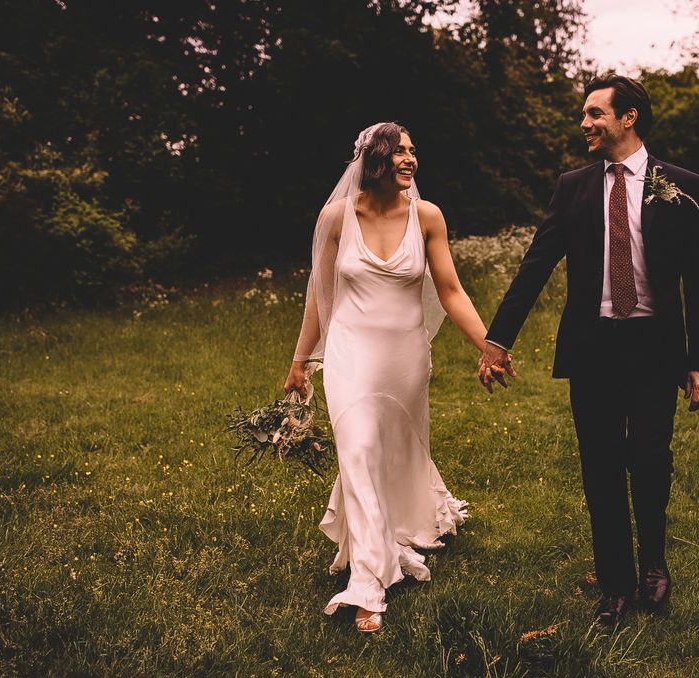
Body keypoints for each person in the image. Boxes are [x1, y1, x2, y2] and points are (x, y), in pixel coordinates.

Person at [479, 74, 699, 629]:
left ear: (629, 118)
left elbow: (697, 280)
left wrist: (697, 361)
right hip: (594, 348)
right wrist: (497, 339)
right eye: (585, 114)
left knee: (650, 460)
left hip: (655, 346)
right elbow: (535, 264)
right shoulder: (572, 186)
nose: (585, 123)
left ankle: (654, 561)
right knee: (600, 467)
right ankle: (616, 587)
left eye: (595, 113)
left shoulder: (681, 185)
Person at [284, 122, 489, 632]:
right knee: (356, 449)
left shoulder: (427, 217)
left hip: (404, 357)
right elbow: (319, 297)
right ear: (373, 159)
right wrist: (300, 361)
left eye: (413, 151)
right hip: (349, 352)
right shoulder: (336, 217)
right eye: (399, 151)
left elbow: (451, 290)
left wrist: (490, 344)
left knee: (388, 451)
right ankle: (369, 583)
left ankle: (392, 527)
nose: (410, 159)